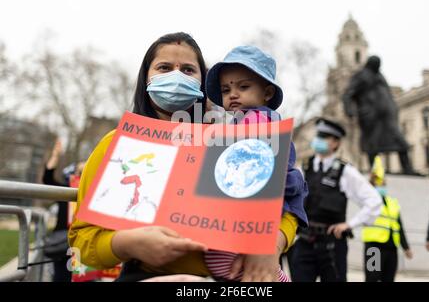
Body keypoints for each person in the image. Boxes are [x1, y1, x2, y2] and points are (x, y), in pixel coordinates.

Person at [69, 32, 240, 282]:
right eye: (164, 67)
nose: (177, 76)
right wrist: (128, 243)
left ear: (202, 83)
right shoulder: (116, 146)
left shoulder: (230, 146)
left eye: (188, 70)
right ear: (146, 78)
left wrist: (271, 249)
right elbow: (81, 242)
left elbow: (284, 212)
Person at [205, 45, 309, 282]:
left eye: (243, 86)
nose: (232, 94)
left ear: (268, 93)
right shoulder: (238, 123)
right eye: (225, 89)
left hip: (256, 210)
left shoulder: (259, 120)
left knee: (226, 264)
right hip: (246, 209)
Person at [288, 118, 382, 282]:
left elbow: (374, 200)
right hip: (303, 243)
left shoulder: (345, 172)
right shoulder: (304, 168)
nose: (318, 140)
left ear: (335, 143)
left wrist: (349, 225)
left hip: (332, 245)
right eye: (318, 135)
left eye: (324, 136)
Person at [342, 56, 416, 175]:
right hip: (371, 117)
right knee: (372, 146)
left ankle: (408, 169)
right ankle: (375, 171)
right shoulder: (361, 75)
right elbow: (348, 94)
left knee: (401, 143)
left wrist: (393, 108)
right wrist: (350, 111)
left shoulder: (379, 76)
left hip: (387, 118)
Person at [362, 156, 413, 282]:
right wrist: (372, 179)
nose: (382, 186)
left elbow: (399, 226)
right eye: (379, 183)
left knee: (389, 278)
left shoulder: (392, 203)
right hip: (374, 248)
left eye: (384, 183)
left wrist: (406, 247)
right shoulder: (369, 201)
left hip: (391, 249)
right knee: (372, 278)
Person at [42, 139, 85, 282]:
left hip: (82, 241)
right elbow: (47, 179)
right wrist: (55, 156)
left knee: (81, 276)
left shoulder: (92, 193)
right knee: (62, 276)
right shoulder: (64, 190)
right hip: (63, 242)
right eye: (80, 172)